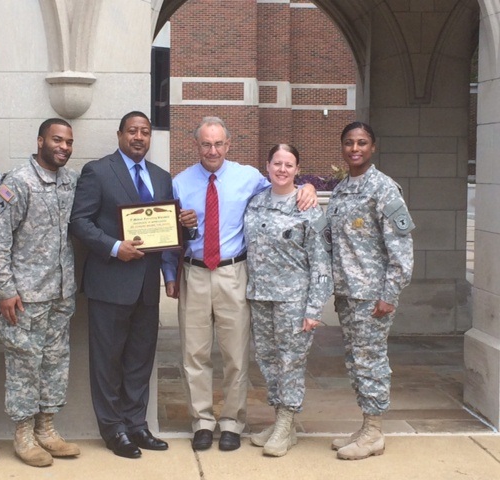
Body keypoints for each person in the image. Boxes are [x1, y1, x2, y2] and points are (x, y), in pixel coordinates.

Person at [163, 117, 317, 452]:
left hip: (234, 273)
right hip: (195, 273)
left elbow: (283, 187)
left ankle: (232, 421)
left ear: (228, 145)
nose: (213, 150)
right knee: (195, 353)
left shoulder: (249, 178)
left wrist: (308, 186)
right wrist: (171, 275)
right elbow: (167, 234)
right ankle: (202, 421)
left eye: (219, 143)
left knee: (235, 354)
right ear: (197, 145)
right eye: (206, 144)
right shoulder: (180, 183)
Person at [70, 111, 196, 459]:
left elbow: (166, 234)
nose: (139, 137)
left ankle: (137, 424)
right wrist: (114, 246)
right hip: (109, 284)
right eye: (132, 131)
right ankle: (113, 429)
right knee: (107, 361)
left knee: (140, 360)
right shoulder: (98, 171)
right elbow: (79, 222)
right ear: (120, 134)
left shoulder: (160, 177)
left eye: (145, 132)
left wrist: (172, 270)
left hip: (146, 288)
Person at [0, 118, 80, 467]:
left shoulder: (70, 181)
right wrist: (5, 290)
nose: (64, 147)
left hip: (60, 293)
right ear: (40, 141)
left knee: (55, 362)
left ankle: (47, 429)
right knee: (24, 365)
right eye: (57, 140)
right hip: (24, 296)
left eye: (69, 142)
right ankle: (23, 434)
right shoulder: (14, 183)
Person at [327, 122, 414, 460]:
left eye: (362, 143)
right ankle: (366, 425)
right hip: (347, 294)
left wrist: (389, 295)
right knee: (356, 361)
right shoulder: (341, 190)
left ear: (373, 147)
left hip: (372, 296)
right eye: (349, 143)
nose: (355, 149)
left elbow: (402, 251)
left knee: (371, 361)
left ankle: (375, 431)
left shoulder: (385, 189)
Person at [243, 144, 332, 457]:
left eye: (289, 164)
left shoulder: (307, 206)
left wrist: (314, 308)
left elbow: (321, 261)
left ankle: (286, 420)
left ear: (297, 169)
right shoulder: (255, 203)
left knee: (291, 362)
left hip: (293, 300)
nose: (282, 169)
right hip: (260, 297)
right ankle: (281, 422)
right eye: (277, 163)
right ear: (267, 166)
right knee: (268, 361)